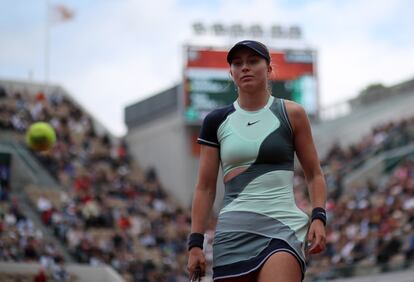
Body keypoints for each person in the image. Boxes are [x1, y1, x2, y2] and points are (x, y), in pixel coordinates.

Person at [187, 40, 327, 282]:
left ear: (269, 69)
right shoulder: (216, 120)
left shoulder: (292, 113)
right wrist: (195, 243)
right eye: (238, 63)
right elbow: (205, 187)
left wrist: (318, 217)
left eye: (253, 61)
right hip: (232, 235)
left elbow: (314, 173)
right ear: (231, 73)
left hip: (283, 229)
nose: (245, 68)